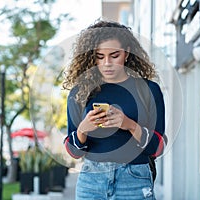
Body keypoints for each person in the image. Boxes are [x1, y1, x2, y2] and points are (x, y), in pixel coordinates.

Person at [62, 19, 166, 200]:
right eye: (99, 57)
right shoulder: (80, 92)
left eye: (114, 55)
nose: (107, 63)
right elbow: (73, 152)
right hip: (91, 182)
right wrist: (83, 130)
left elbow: (157, 148)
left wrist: (130, 125)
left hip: (134, 180)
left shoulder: (148, 90)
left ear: (127, 53)